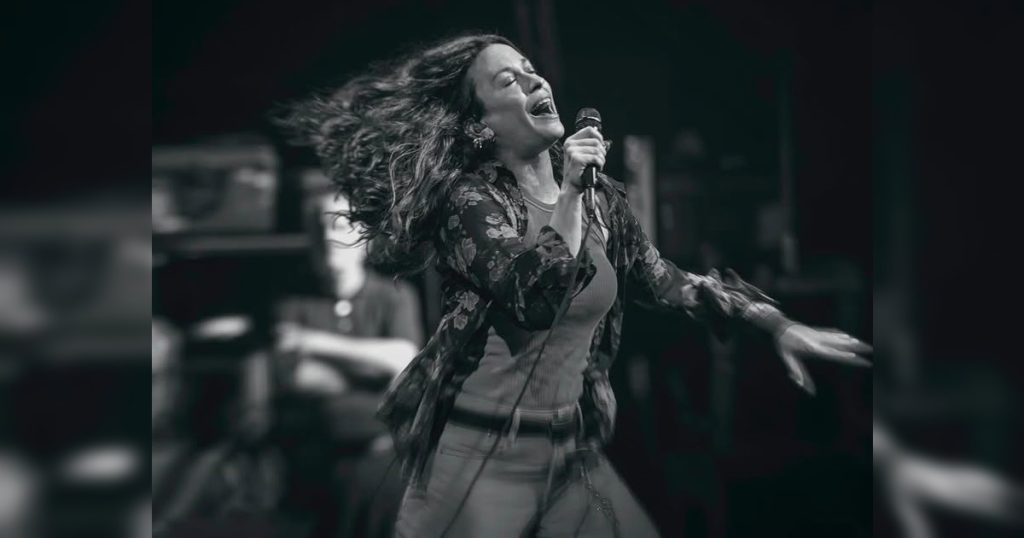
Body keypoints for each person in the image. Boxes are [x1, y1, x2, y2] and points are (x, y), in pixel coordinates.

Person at [277, 33, 871, 538]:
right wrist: (569, 194)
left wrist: (775, 323)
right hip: (479, 463)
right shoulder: (471, 203)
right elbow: (538, 296)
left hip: (568, 452)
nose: (534, 80)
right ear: (481, 124)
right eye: (508, 81)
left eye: (531, 69)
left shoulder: (601, 201)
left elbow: (669, 281)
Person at [274, 188, 424, 537]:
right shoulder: (291, 301)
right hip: (315, 467)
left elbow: (405, 362)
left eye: (340, 225)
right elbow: (298, 376)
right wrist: (377, 371)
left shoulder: (395, 296)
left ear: (365, 239)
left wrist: (312, 342)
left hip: (386, 463)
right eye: (317, 227)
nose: (327, 236)